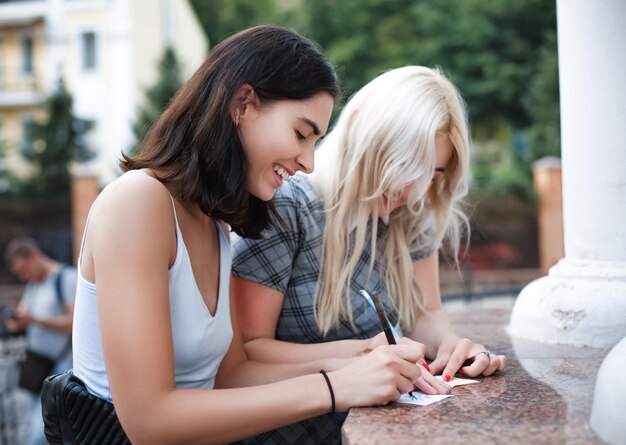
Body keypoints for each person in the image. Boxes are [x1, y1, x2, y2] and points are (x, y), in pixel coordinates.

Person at [57, 26, 432, 444]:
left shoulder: (213, 222)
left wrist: (358, 356)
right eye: (301, 134)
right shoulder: (138, 202)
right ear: (243, 105)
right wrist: (335, 387)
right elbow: (148, 420)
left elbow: (233, 375)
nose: (308, 162)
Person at [231, 66, 508, 444]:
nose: (411, 191)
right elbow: (247, 352)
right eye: (405, 165)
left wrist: (451, 349)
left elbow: (424, 312)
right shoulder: (287, 204)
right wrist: (358, 356)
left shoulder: (414, 212)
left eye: (432, 173)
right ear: (364, 137)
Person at [4, 237, 76, 445]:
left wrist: (35, 320)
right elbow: (23, 315)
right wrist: (16, 322)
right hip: (37, 368)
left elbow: (75, 322)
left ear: (34, 256)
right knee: (36, 431)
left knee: (40, 435)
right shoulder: (33, 285)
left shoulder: (66, 278)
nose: (23, 276)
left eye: (24, 270)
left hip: (61, 367)